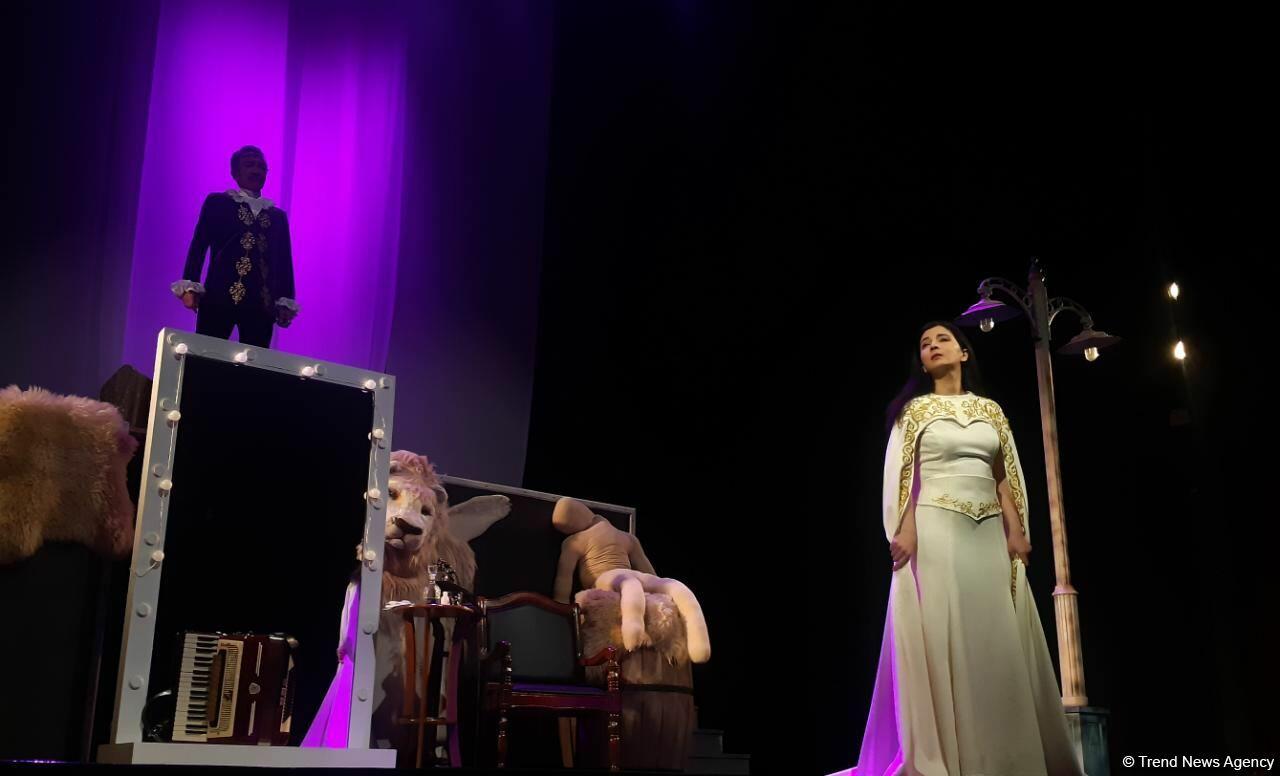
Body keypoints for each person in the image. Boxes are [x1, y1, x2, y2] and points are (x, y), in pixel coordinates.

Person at [837, 320, 1083, 776]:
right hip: (936, 530)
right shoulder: (914, 411)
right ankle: (949, 754)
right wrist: (905, 529)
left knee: (993, 636)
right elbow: (904, 475)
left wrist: (1016, 530)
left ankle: (1004, 753)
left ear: (964, 353)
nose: (932, 346)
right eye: (924, 344)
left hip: (987, 534)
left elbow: (1004, 474)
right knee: (945, 634)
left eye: (942, 339)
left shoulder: (990, 410)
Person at [171, 145, 298, 346]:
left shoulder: (277, 216)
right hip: (218, 297)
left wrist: (286, 299)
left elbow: (283, 261)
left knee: (255, 360)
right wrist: (190, 285)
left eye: (261, 166)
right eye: (249, 165)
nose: (256, 170)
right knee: (207, 355)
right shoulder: (218, 203)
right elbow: (199, 245)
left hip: (261, 304)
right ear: (235, 173)